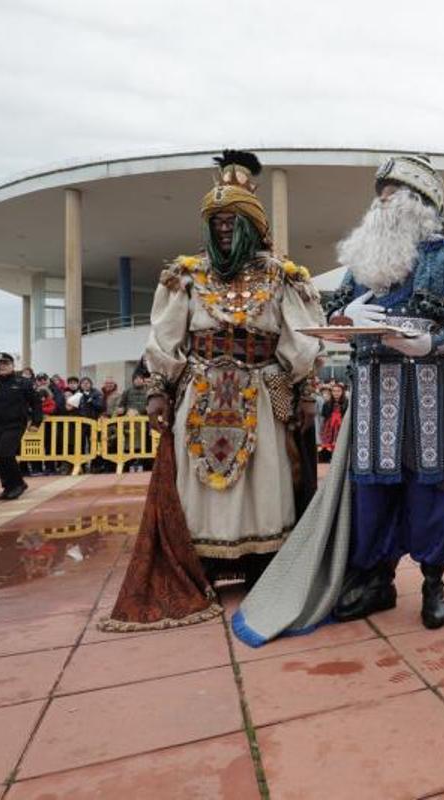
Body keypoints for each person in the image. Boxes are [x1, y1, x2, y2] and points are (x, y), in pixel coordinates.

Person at [143, 149, 324, 585]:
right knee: (199, 485)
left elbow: (303, 340)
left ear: (252, 227)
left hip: (263, 391)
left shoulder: (283, 276)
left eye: (232, 222)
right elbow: (165, 336)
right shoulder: (185, 275)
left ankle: (262, 563)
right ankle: (202, 563)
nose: (223, 230)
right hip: (200, 391)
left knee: (265, 479)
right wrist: (156, 390)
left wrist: (306, 392)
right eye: (217, 223)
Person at [325, 154, 444, 630]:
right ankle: (376, 580)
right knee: (372, 495)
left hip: (425, 391)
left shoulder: (443, 254)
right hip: (372, 396)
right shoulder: (363, 262)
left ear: (422, 203)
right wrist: (342, 321)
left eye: (395, 195)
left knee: (429, 491)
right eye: (381, 195)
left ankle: (434, 583)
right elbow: (336, 316)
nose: (384, 203)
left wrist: (429, 341)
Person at [0, 352, 41, 500]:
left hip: (15, 424)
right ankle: (8, 487)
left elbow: (36, 403)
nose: (2, 366)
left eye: (6, 364)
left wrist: (36, 422)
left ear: (12, 365)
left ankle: (18, 484)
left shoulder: (23, 382)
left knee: (5, 453)